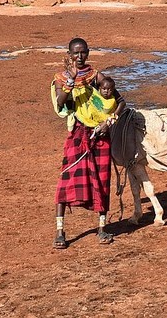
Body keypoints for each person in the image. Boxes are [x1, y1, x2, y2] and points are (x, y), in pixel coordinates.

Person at [51, 38, 126, 249]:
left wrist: (109, 122)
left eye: (83, 52)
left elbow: (121, 102)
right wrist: (71, 81)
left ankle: (102, 228)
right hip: (78, 133)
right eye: (75, 53)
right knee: (66, 180)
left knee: (102, 180)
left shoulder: (96, 76)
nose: (80, 56)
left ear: (88, 52)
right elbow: (60, 102)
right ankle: (60, 232)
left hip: (100, 136)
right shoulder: (60, 78)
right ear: (69, 54)